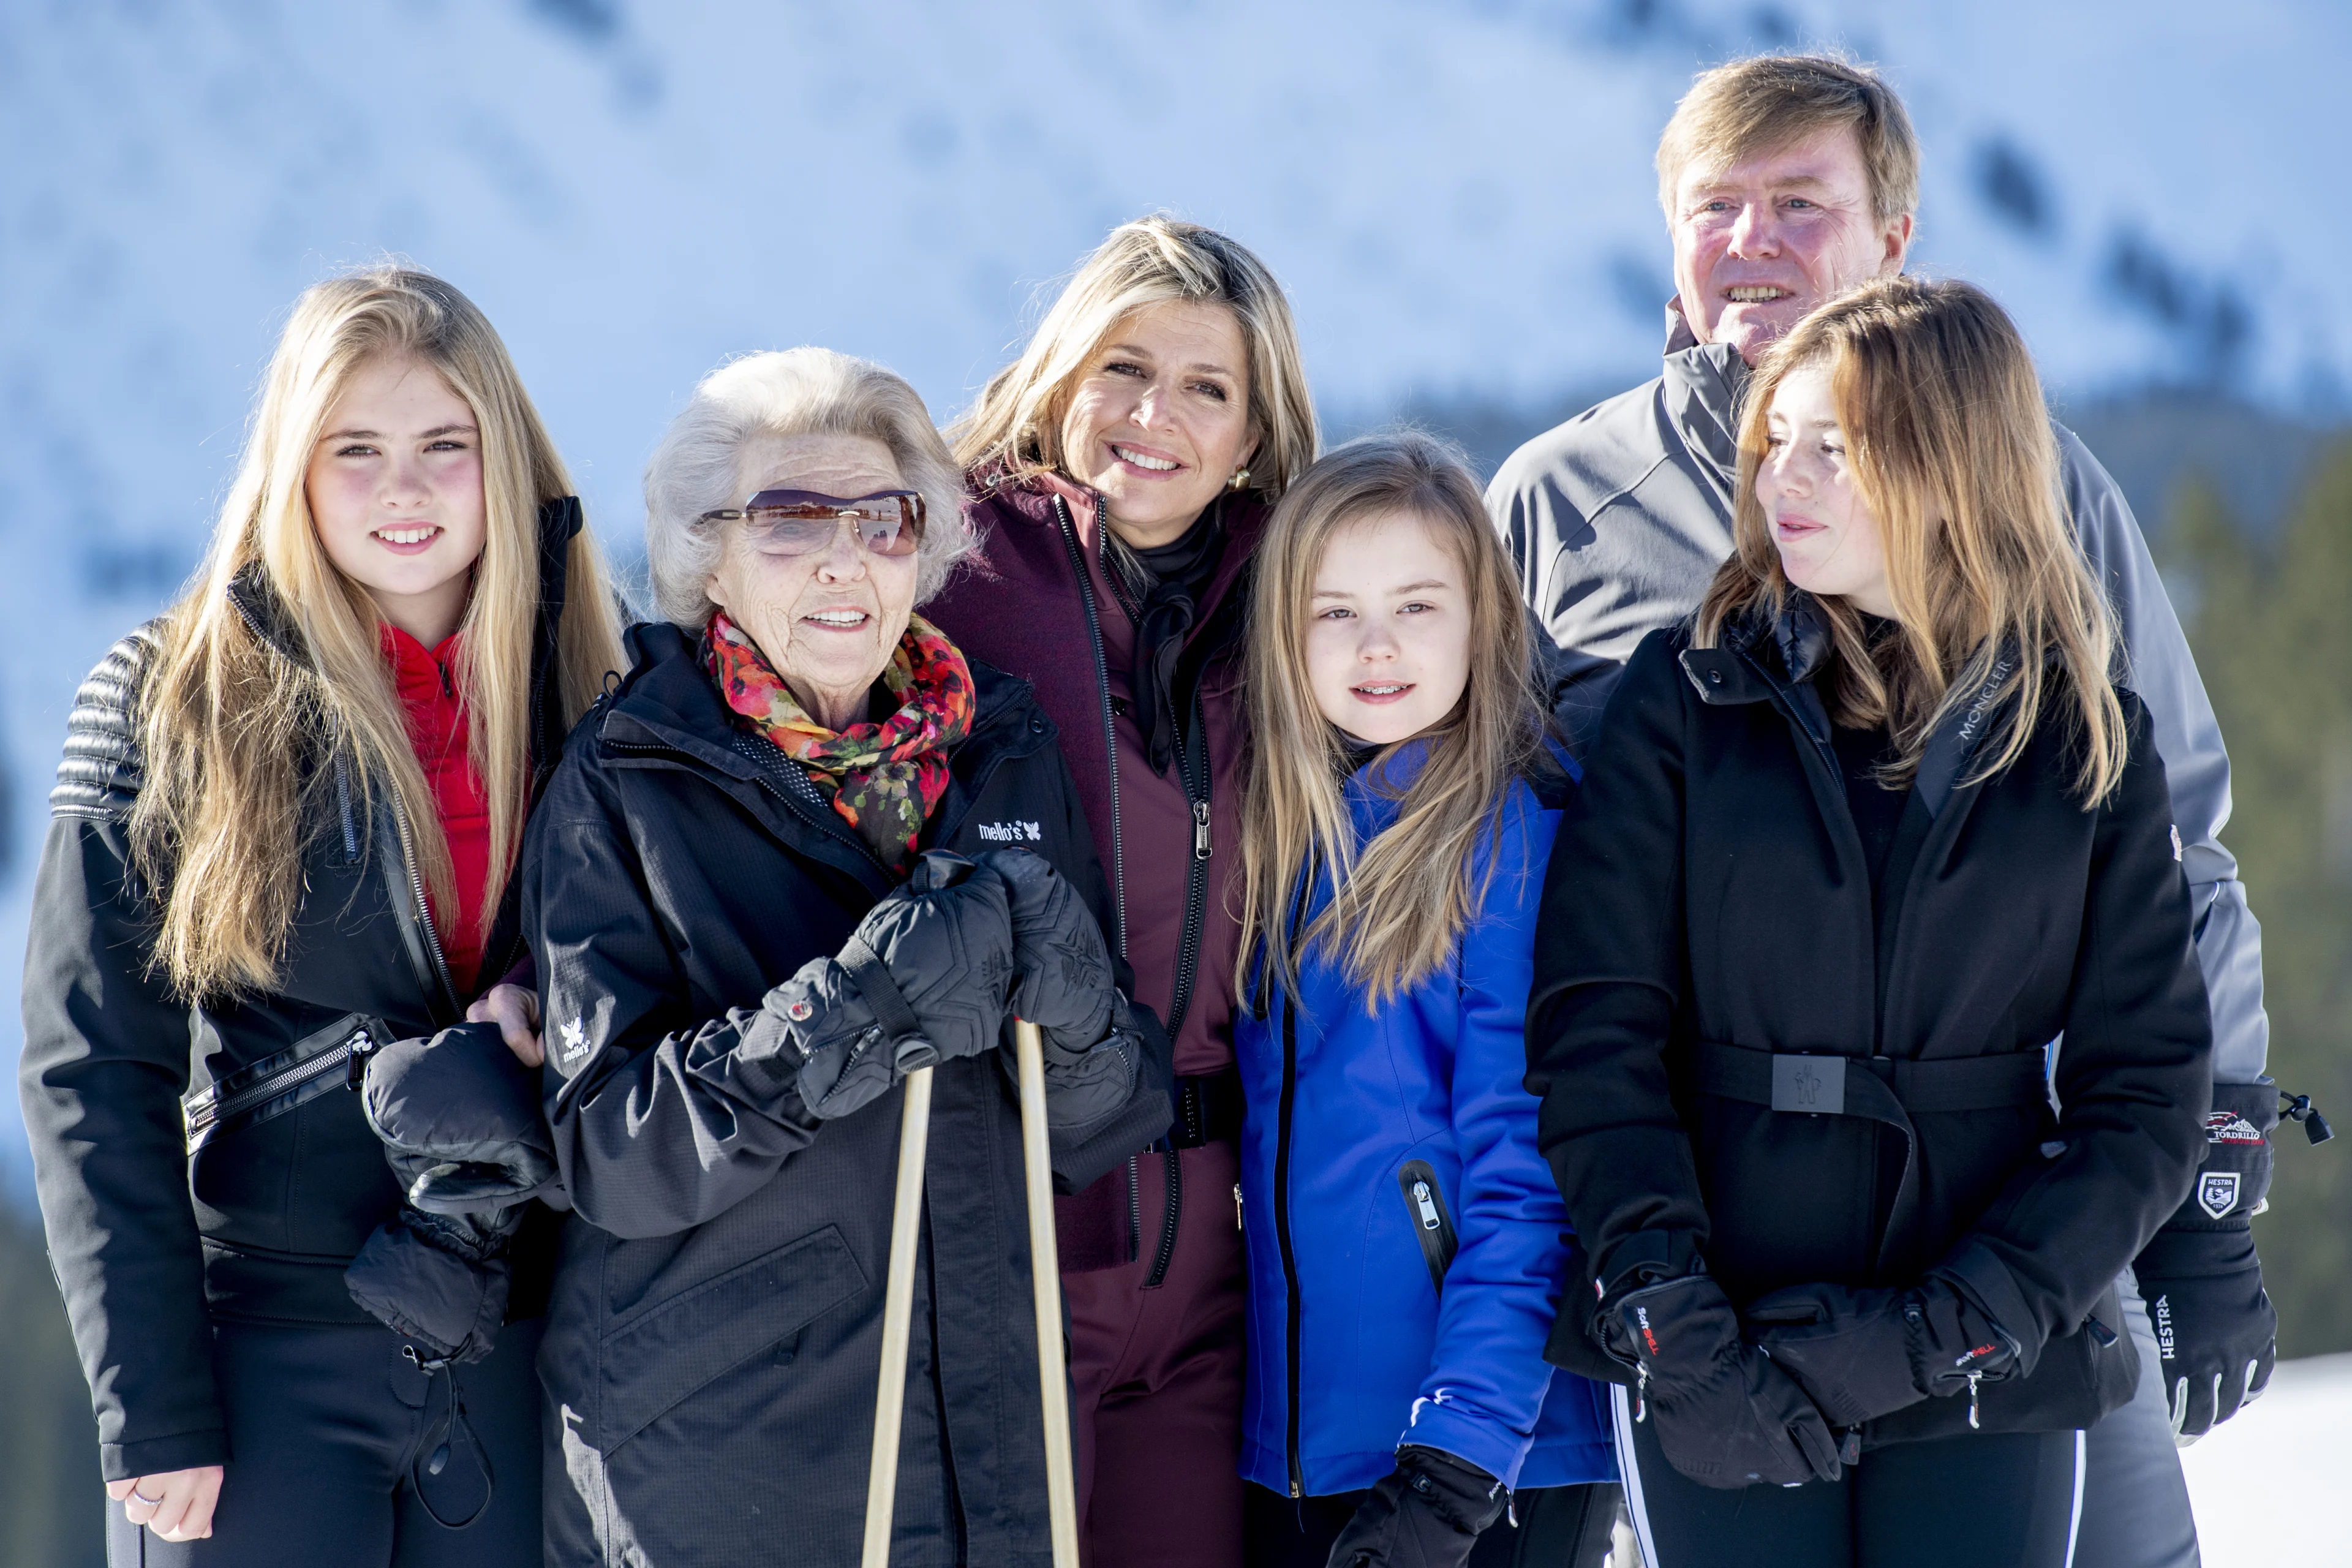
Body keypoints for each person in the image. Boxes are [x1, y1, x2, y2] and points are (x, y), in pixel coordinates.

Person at [1487, 53, 2281, 1568]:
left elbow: (2173, 846)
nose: (1752, 240)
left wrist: (2214, 1180)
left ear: (1893, 236)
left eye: (1801, 201)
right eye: (1716, 206)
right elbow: (1490, 874)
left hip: (2009, 1222)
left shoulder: (2030, 484)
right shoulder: (1556, 503)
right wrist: (1634, 1280)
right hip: (1693, 1225)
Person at [477, 347, 1167, 1565]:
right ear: (710, 555)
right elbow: (615, 1152)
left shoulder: (1001, 749)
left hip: (986, 1448)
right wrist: (855, 1012)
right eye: (792, 520)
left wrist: (1080, 1015)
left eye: (883, 519)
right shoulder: (627, 778)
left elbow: (1098, 1128)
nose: (847, 559)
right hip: (724, 1460)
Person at [18, 266, 628, 1566]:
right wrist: (151, 1402)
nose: (404, 489)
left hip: (521, 1353)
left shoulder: (602, 686)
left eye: (444, 446)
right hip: (260, 1363)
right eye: (357, 450)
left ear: (505, 460)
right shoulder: (167, 698)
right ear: (293, 467)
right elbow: (92, 1066)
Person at [927, 216, 1318, 1567]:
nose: (1156, 417)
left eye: (1208, 387)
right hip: (1018, 1209)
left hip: (1219, 1247)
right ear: (1059, 377)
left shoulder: (1290, 604)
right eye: (1124, 369)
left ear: (1256, 432)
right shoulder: (946, 570)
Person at [1227, 434, 1617, 1568]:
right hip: (1303, 1441)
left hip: (1482, 1458)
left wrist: (1457, 1458)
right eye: (1335, 612)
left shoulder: (1514, 838)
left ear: (1484, 618)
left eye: (1416, 605)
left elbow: (1530, 1177)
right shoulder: (1286, 828)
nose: (1377, 646)